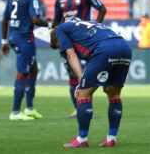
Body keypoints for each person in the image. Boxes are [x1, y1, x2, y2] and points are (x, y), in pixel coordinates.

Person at [50, 17, 132, 148]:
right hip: (124, 46)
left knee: (83, 94)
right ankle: (111, 139)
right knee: (114, 94)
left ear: (56, 40)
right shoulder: (86, 26)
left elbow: (71, 55)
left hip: (105, 49)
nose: (62, 51)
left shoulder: (60, 30)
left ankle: (82, 139)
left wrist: (81, 80)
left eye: (59, 47)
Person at [53, 0, 107, 118]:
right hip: (67, 42)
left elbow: (102, 9)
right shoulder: (59, 0)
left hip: (83, 41)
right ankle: (78, 109)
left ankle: (88, 107)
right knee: (72, 75)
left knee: (86, 74)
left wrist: (96, 28)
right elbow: (56, 22)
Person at [1, 0, 53, 120]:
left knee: (33, 69)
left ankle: (29, 108)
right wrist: (51, 25)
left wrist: (4, 41)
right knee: (23, 73)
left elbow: (5, 19)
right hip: (25, 39)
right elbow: (36, 20)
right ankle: (15, 112)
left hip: (13, 36)